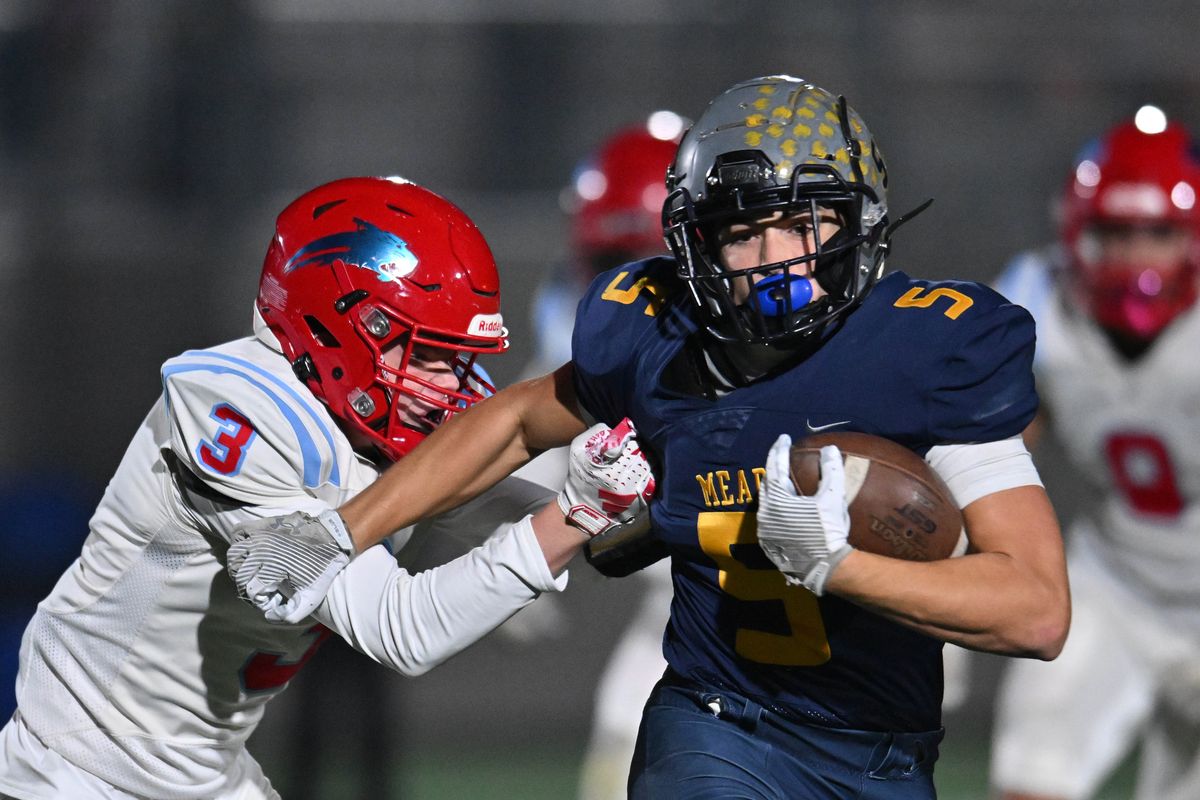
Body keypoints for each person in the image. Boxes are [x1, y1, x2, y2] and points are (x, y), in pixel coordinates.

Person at [230, 76, 1071, 798]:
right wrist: (344, 530)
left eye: (801, 222)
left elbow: (1037, 613)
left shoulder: (929, 352)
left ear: (857, 222)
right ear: (697, 244)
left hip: (884, 751)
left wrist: (839, 567)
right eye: (743, 230)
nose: (773, 258)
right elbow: (517, 420)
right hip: (721, 723)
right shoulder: (654, 331)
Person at [0, 176, 653, 800]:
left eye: (456, 359)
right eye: (425, 354)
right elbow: (402, 628)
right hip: (80, 769)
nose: (450, 386)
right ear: (339, 325)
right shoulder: (231, 405)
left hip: (199, 771)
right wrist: (577, 512)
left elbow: (548, 529)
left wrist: (630, 496)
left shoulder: (379, 422)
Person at [989, 109, 1200, 800]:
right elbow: (988, 451)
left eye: (1158, 235)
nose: (1138, 258)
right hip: (1119, 582)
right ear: (1078, 236)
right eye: (1116, 235)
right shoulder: (1039, 302)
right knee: (1031, 776)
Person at [517, 114, 684, 800]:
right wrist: (516, 535)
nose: (620, 292)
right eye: (608, 268)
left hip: (798, 630)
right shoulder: (576, 320)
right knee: (625, 722)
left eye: (639, 266)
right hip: (677, 616)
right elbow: (532, 427)